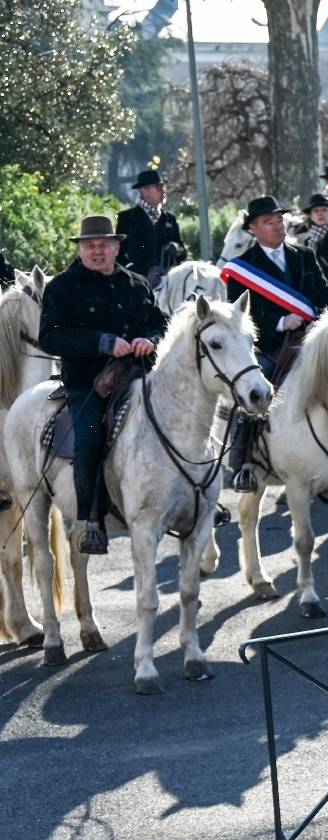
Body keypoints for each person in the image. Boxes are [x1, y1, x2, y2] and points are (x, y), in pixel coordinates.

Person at [38, 216, 168, 556]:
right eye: (90, 245)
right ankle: (91, 520)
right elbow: (50, 337)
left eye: (104, 245)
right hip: (88, 384)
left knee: (182, 418)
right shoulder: (61, 287)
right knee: (90, 437)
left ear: (117, 247)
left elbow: (160, 325)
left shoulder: (137, 284)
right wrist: (102, 342)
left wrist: (149, 339)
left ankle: (193, 497)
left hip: (139, 375)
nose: (97, 251)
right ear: (80, 248)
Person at [220, 194, 328, 488]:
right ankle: (243, 463)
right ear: (253, 229)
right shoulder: (241, 268)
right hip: (270, 345)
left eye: (278, 220)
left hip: (311, 339)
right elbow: (240, 318)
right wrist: (279, 322)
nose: (276, 227)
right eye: (268, 222)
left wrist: (320, 324)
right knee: (251, 388)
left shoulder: (304, 256)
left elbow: (327, 296)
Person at [116, 169, 182, 285]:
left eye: (163, 186)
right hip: (136, 283)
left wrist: (177, 248)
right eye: (158, 186)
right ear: (144, 191)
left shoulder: (170, 218)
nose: (163, 190)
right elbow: (119, 255)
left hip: (168, 282)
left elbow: (182, 250)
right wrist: (142, 273)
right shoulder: (126, 218)